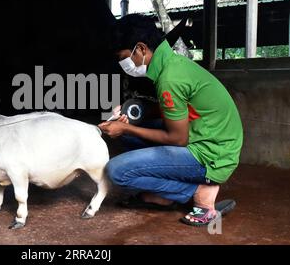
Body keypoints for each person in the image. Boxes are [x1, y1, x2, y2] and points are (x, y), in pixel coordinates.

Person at [99, 14, 243, 226]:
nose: (123, 63)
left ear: (140, 49)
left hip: (211, 154)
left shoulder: (169, 79)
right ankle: (166, 195)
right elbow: (175, 109)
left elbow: (177, 139)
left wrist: (125, 128)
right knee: (131, 137)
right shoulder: (172, 64)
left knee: (116, 171)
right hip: (211, 138)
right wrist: (137, 111)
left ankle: (196, 191)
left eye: (123, 57)